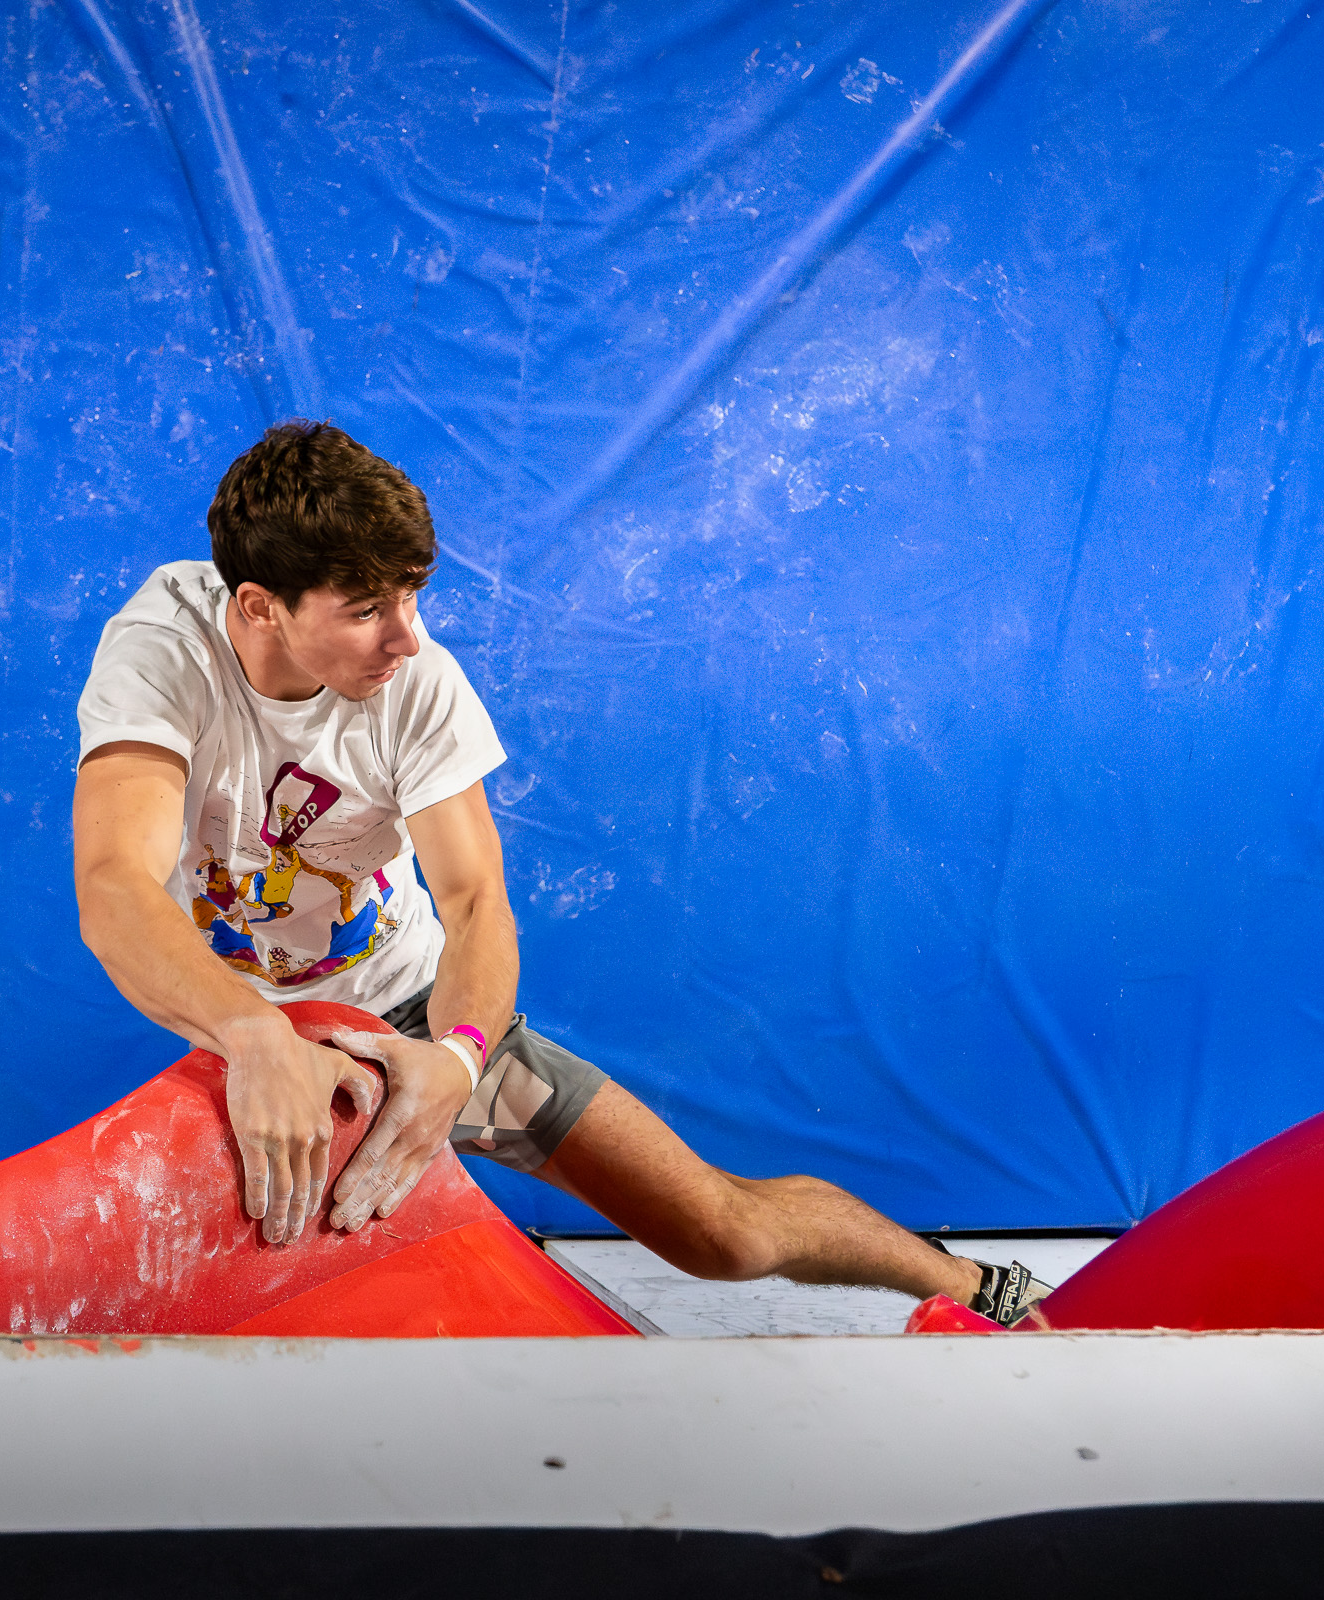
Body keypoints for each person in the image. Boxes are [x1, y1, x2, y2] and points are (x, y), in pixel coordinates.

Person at [70, 420, 1049, 1325]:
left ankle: (979, 1287)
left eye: (412, 596)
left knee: (721, 1233)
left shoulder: (418, 684)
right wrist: (252, 1038)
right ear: (258, 606)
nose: (406, 636)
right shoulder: (168, 649)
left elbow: (473, 901)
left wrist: (459, 1059)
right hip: (236, 1031)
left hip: (411, 1020)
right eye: (367, 609)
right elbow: (115, 883)